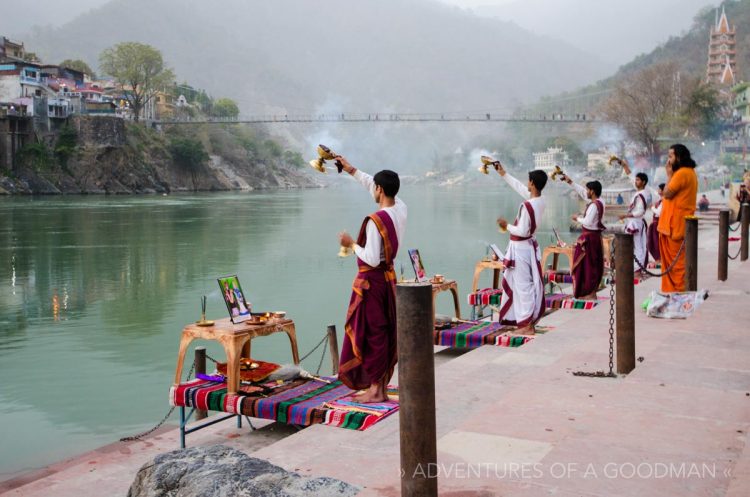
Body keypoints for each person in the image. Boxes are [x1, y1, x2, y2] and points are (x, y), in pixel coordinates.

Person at [336, 156, 406, 403]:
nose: (371, 190)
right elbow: (372, 184)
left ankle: (376, 390)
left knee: (373, 333)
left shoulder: (376, 221)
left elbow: (372, 258)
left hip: (372, 284)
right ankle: (381, 387)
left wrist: (351, 243)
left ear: (380, 190)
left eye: (374, 187)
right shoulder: (400, 209)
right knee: (385, 332)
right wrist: (351, 170)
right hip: (389, 280)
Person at [494, 163, 547, 334]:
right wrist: (504, 174)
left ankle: (526, 326)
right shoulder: (540, 200)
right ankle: (522, 320)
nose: (526, 184)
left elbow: (523, 231)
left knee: (523, 286)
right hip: (526, 248)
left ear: (532, 183)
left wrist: (506, 225)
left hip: (522, 249)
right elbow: (520, 188)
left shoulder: (528, 205)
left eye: (528, 181)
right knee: (521, 285)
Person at [658, 144, 699, 293]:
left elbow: (667, 193)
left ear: (679, 157)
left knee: (678, 265)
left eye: (670, 156)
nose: (668, 161)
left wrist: (669, 175)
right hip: (676, 225)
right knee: (676, 264)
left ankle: (680, 293)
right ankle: (674, 292)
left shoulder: (682, 173)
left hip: (676, 226)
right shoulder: (688, 172)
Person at [563, 175, 606, 300]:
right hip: (595, 238)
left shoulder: (593, 206)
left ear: (592, 191)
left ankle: (589, 293)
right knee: (593, 265)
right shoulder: (600, 202)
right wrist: (570, 182)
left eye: (588, 190)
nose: (585, 192)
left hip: (589, 239)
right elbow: (582, 192)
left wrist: (577, 218)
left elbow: (587, 222)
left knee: (587, 267)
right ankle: (590, 292)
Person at [619, 160, 653, 270]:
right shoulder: (641, 192)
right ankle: (635, 266)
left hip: (637, 222)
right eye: (636, 180)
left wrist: (626, 215)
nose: (635, 182)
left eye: (638, 180)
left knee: (639, 246)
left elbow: (640, 212)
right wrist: (625, 166)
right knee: (635, 245)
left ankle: (638, 268)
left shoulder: (643, 194)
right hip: (634, 222)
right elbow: (631, 177)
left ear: (643, 182)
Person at [647, 183, 665, 262]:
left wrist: (652, 208)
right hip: (655, 223)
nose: (658, 190)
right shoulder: (660, 199)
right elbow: (651, 190)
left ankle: (659, 258)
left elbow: (659, 212)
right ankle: (658, 258)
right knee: (653, 242)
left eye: (659, 189)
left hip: (658, 223)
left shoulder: (664, 201)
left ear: (663, 190)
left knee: (657, 242)